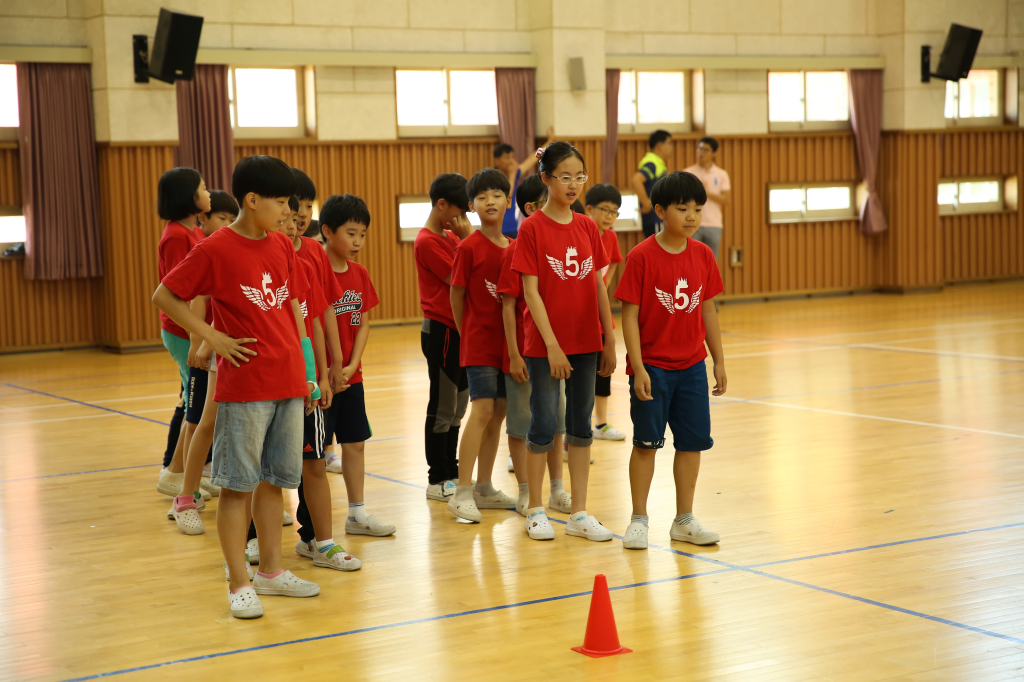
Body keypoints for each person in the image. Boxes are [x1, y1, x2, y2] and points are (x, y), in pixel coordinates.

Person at [153, 155, 322, 620]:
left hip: (287, 381)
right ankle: (238, 581)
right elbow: (164, 295)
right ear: (252, 200)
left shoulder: (282, 245)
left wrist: (305, 370)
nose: (289, 212)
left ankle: (271, 570)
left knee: (274, 481)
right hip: (245, 385)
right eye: (282, 202)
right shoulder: (214, 248)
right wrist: (211, 336)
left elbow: (293, 311)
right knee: (237, 487)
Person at [614, 171, 727, 551]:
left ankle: (684, 519)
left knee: (691, 444)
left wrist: (718, 361)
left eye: (698, 208)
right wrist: (639, 366)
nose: (693, 216)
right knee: (646, 444)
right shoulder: (641, 256)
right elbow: (628, 315)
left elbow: (708, 311)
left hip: (692, 367)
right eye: (683, 209)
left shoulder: (703, 255)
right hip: (654, 369)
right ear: (660, 211)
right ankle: (639, 519)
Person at [511, 142, 617, 542]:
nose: (573, 185)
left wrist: (608, 337)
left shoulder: (589, 227)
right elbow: (531, 292)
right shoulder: (532, 228)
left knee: (581, 425)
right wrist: (552, 345)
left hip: (586, 339)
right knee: (543, 421)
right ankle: (536, 509)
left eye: (580, 177)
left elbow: (598, 285)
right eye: (564, 177)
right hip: (545, 345)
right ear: (546, 179)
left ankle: (579, 513)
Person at [280, 198, 364, 571]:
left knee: (313, 460)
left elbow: (315, 315)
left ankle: (322, 541)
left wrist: (327, 367)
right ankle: (254, 545)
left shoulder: (309, 255)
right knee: (262, 471)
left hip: (306, 381)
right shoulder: (259, 255)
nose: (293, 218)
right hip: (263, 381)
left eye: (298, 212)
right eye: (283, 208)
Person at [318, 193, 397, 538]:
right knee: (316, 455)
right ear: (327, 231)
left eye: (362, 234)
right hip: (322, 377)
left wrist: (351, 366)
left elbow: (364, 322)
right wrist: (330, 369)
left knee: (355, 443)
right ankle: (314, 528)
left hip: (351, 375)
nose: (358, 242)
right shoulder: (313, 270)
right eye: (351, 233)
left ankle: (357, 514)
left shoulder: (360, 273)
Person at [498, 173, 573, 516]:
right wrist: (514, 354)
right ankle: (527, 491)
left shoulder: (557, 242)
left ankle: (557, 489)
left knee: (557, 422)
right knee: (522, 423)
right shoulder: (518, 247)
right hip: (527, 352)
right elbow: (510, 304)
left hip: (554, 349)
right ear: (531, 208)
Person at [446, 169, 518, 522]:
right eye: (483, 196)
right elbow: (456, 296)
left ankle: (485, 486)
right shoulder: (468, 247)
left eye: (497, 194)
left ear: (508, 200)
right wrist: (468, 332)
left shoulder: (516, 248)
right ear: (472, 206)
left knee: (499, 412)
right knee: (482, 411)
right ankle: (462, 491)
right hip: (479, 345)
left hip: (510, 348)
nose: (491, 201)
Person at [170, 189, 238, 535]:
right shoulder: (213, 248)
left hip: (237, 352)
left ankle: (248, 502)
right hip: (211, 354)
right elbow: (198, 299)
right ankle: (184, 495)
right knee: (201, 423)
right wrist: (200, 343)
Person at [415, 173, 473, 500]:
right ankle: (436, 478)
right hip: (442, 330)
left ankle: (451, 470)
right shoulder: (428, 241)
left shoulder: (451, 237)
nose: (462, 220)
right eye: (459, 213)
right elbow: (461, 279)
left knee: (458, 406)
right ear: (441, 205)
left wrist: (463, 238)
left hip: (461, 329)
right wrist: (468, 239)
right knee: (443, 404)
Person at [155, 167, 211, 498]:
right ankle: (174, 474)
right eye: (203, 188)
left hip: (194, 329)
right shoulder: (177, 235)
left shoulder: (195, 231)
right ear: (189, 197)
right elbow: (183, 290)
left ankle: (188, 471)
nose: (208, 192)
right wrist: (197, 338)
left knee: (197, 404)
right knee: (195, 406)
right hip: (182, 331)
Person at [584, 184, 627, 442]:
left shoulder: (610, 237)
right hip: (578, 314)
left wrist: (601, 299)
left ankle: (600, 424)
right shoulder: (581, 233)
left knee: (603, 369)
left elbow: (609, 270)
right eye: (606, 210)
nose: (610, 216)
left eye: (615, 212)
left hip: (600, 313)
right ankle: (574, 428)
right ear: (589, 209)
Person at [493, 126, 554, 238]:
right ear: (497, 160)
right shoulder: (492, 177)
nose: (511, 161)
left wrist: (549, 141)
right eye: (507, 157)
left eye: (512, 157)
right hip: (500, 228)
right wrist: (512, 176)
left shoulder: (514, 173)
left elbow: (533, 158)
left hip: (515, 226)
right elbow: (506, 197)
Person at [683, 136, 731, 261]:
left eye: (705, 150)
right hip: (691, 223)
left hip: (714, 224)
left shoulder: (721, 174)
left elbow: (726, 199)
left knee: (710, 262)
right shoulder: (687, 173)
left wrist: (706, 192)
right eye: (699, 148)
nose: (701, 152)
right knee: (691, 260)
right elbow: (681, 199)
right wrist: (697, 190)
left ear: (714, 153)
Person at [632, 130, 673, 238]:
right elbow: (636, 179)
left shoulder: (657, 162)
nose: (672, 147)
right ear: (660, 145)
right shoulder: (652, 163)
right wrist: (646, 204)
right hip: (654, 218)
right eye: (669, 143)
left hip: (657, 217)